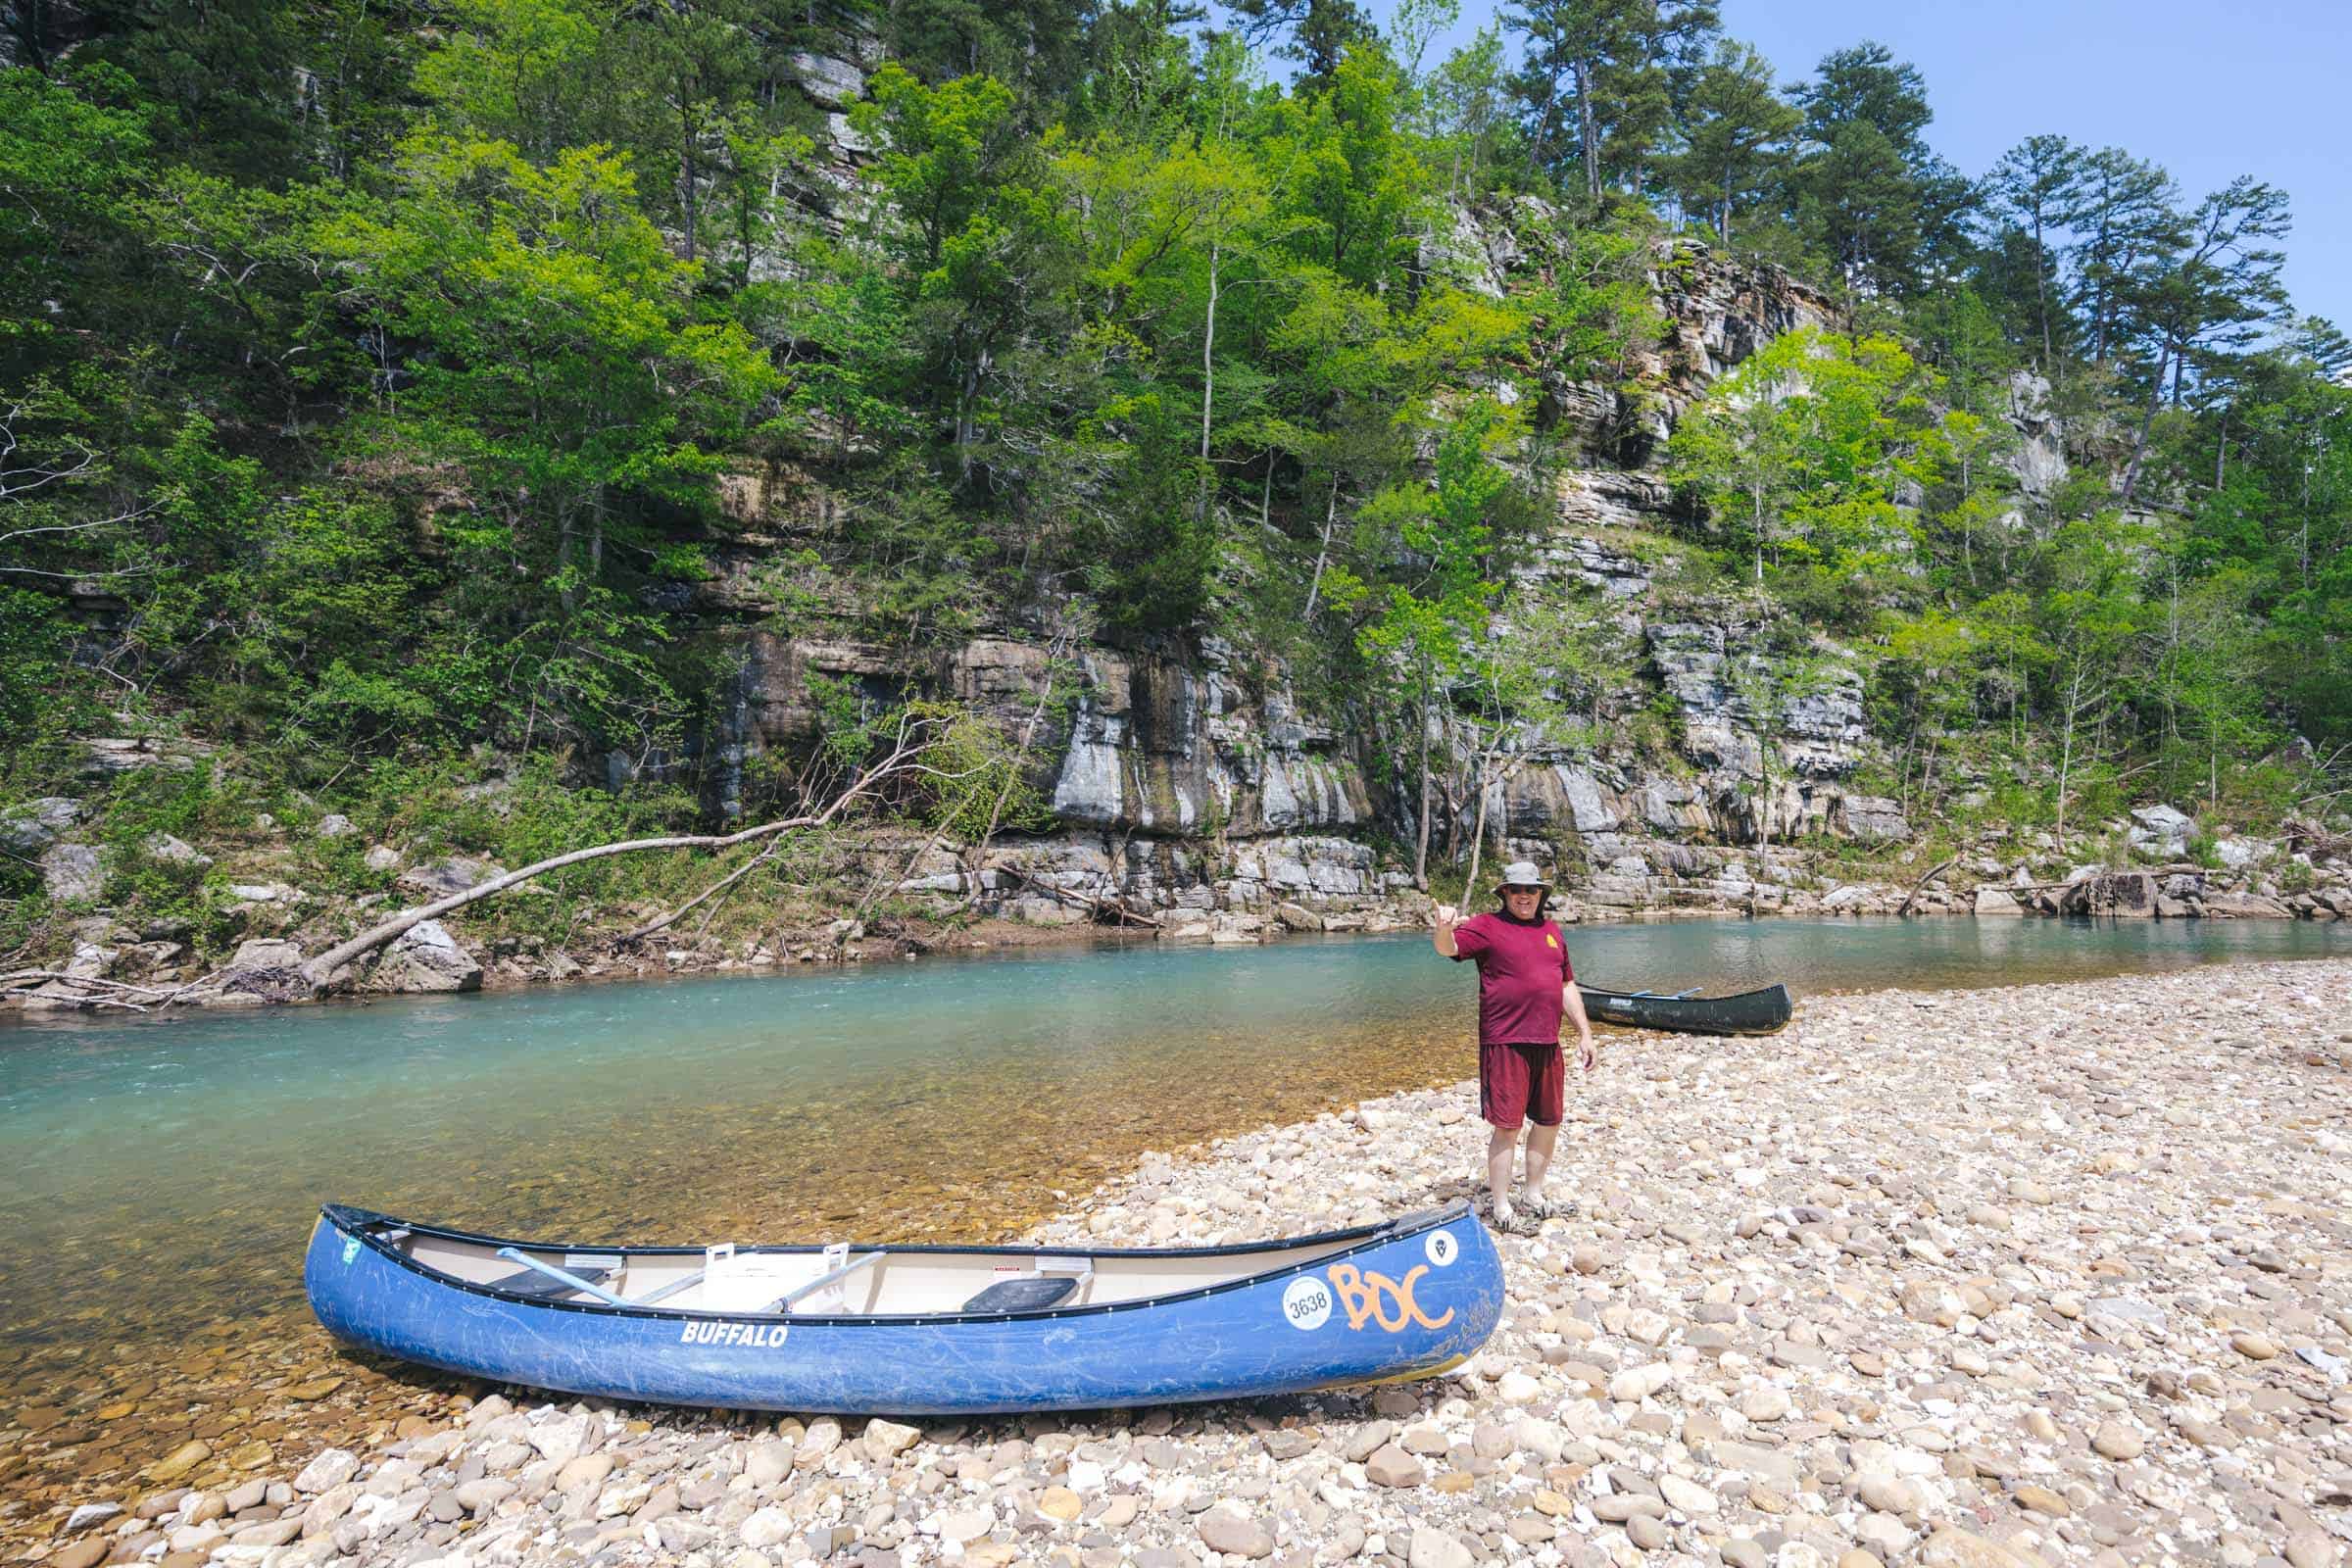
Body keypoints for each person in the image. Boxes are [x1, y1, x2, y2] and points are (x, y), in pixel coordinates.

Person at [1432, 860, 1595, 1233]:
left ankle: (1534, 1196)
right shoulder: (1488, 926)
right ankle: (1503, 1209)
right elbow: (1449, 949)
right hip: (1505, 1042)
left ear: (1541, 895)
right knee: (1508, 1126)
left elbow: (1566, 985)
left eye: (1532, 890)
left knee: (1549, 1121)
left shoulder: (1553, 932)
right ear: (1505, 893)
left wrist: (1584, 1033)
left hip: (1547, 1042)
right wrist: (1442, 928)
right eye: (1517, 890)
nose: (1525, 896)